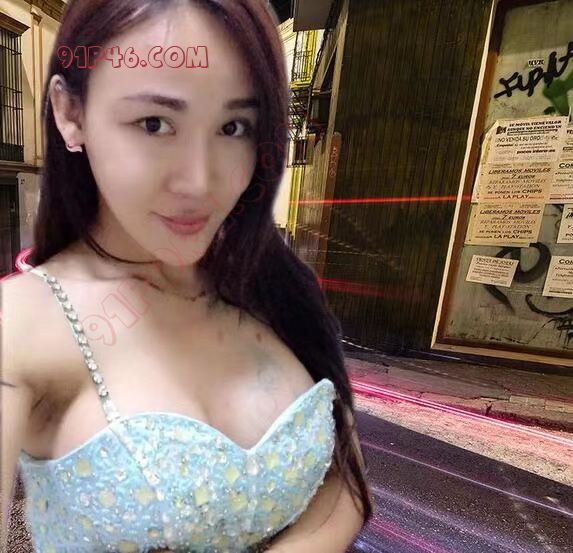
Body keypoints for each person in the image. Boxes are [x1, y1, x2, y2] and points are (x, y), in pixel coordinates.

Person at [1, 0, 374, 551]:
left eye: (233, 127)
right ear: (70, 113)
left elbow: (345, 486)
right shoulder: (20, 326)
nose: (200, 182)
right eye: (155, 124)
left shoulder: (270, 285)